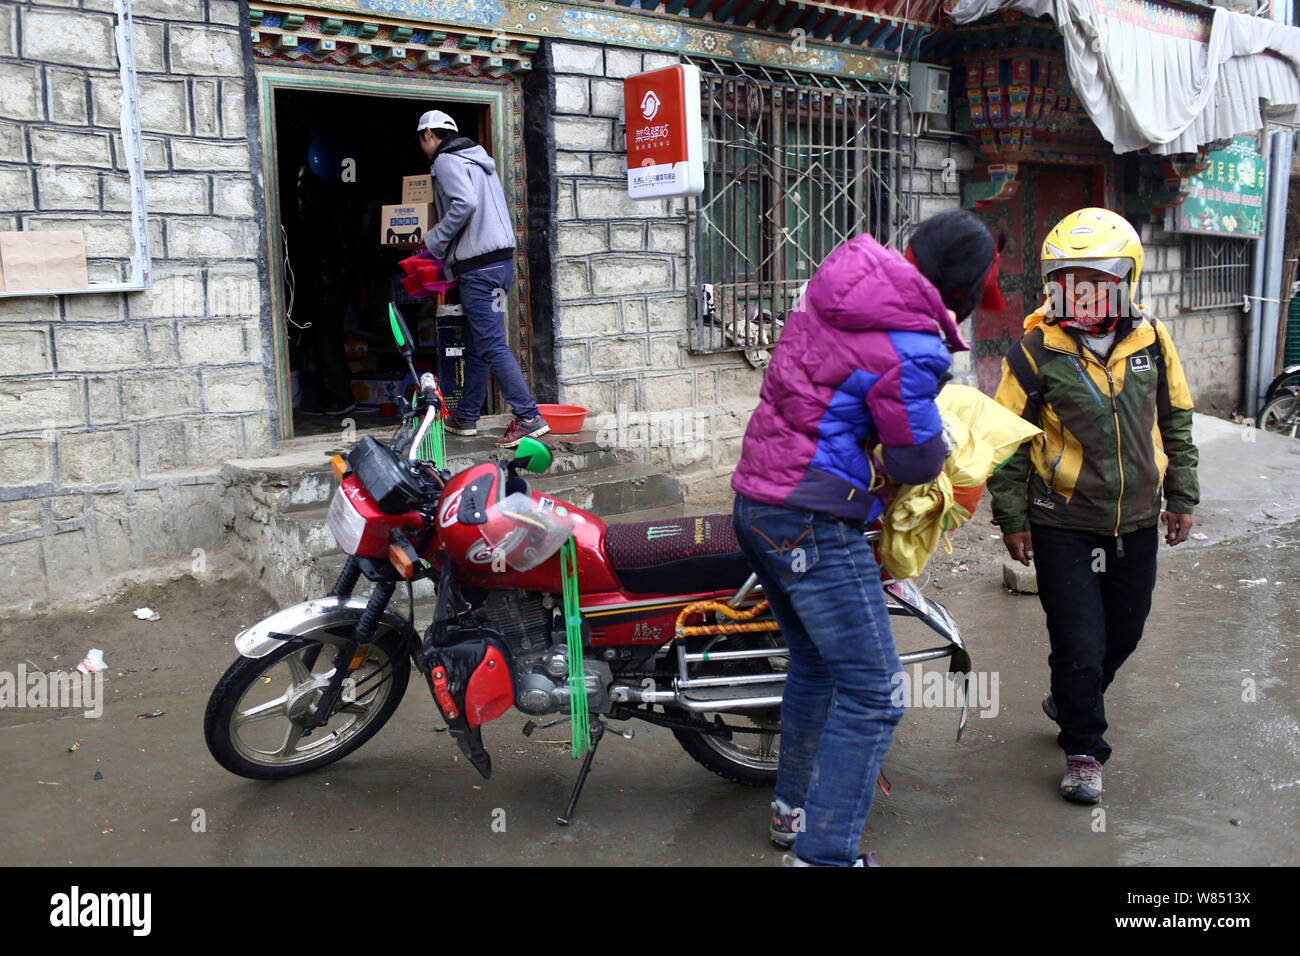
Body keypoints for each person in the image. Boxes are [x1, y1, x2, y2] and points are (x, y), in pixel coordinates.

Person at [730, 210, 1003, 866]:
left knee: (818, 667)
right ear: (958, 292)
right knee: (875, 690)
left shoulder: (841, 287)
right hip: (814, 516)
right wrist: (946, 440)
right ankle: (824, 855)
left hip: (758, 501)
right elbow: (912, 461)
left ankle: (793, 812)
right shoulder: (913, 339)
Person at [987, 207, 1199, 804]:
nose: (1080, 297)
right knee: (1078, 641)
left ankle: (1072, 697)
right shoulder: (1035, 352)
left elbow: (1177, 420)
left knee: (1123, 633)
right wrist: (1012, 517)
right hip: (1062, 524)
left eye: (1095, 284)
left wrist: (1181, 494)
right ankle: (1083, 749)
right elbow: (1006, 440)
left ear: (1124, 282)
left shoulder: (1153, 341)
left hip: (1136, 521)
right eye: (1068, 283)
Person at [417, 109, 549, 448]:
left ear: (429, 135)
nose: (423, 146)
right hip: (500, 266)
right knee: (478, 344)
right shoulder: (479, 160)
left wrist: (434, 241)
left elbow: (463, 204)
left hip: (478, 268)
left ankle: (528, 416)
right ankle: (466, 417)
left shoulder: (446, 161)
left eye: (421, 140)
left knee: (490, 343)